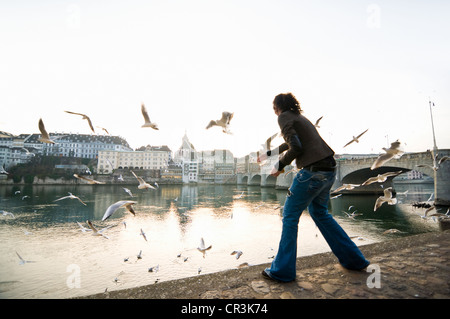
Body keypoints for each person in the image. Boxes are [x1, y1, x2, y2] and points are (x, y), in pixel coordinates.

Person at [258, 92, 370, 282]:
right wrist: (269, 154)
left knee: (290, 215)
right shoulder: (299, 117)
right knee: (320, 213)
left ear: (279, 106)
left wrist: (279, 166)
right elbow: (291, 142)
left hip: (311, 172)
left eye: (273, 106)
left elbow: (297, 148)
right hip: (328, 169)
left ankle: (282, 271)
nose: (273, 110)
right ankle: (355, 260)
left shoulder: (283, 117)